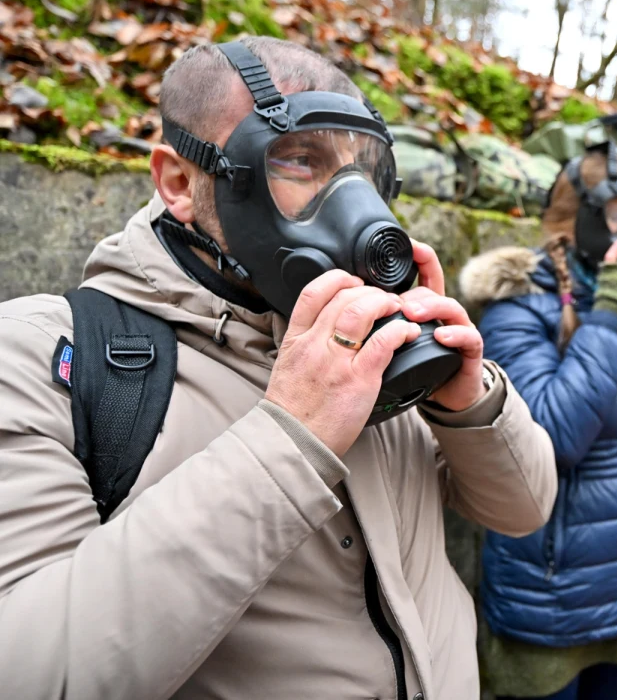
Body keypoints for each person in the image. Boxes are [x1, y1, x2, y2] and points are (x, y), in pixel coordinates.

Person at [0, 37, 558, 700]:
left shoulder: (372, 328)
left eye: (363, 170)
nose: (355, 205)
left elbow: (523, 510)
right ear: (179, 183)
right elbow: (31, 673)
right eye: (298, 159)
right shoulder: (41, 355)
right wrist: (290, 436)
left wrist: (469, 403)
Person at [460, 140, 617, 700]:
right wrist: (611, 315)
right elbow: (551, 440)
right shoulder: (519, 308)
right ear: (575, 221)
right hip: (549, 598)